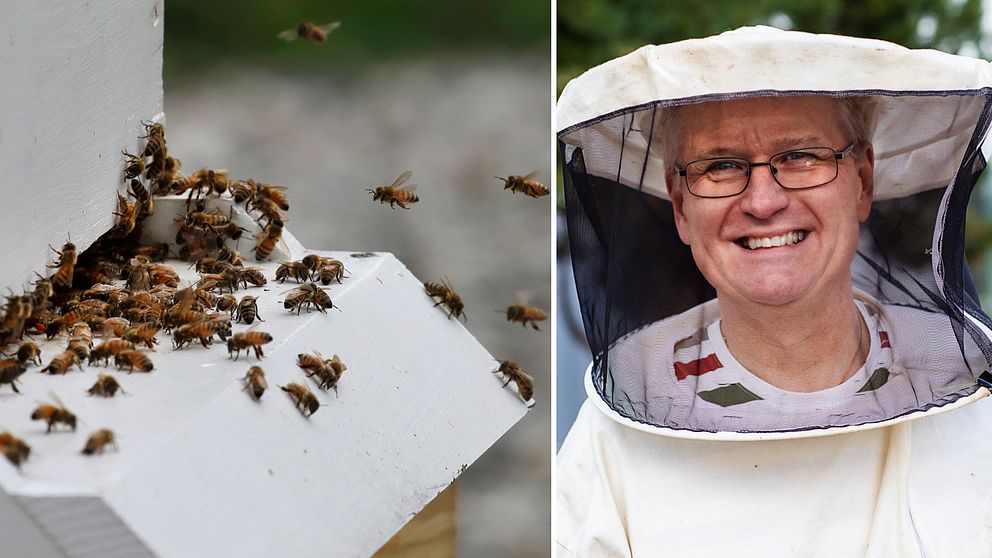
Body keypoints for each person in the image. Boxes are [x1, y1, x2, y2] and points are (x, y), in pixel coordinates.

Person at [557, 26, 992, 556]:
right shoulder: (609, 439)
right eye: (719, 165)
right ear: (680, 207)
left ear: (863, 181)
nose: (763, 201)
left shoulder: (973, 405)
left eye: (802, 156)